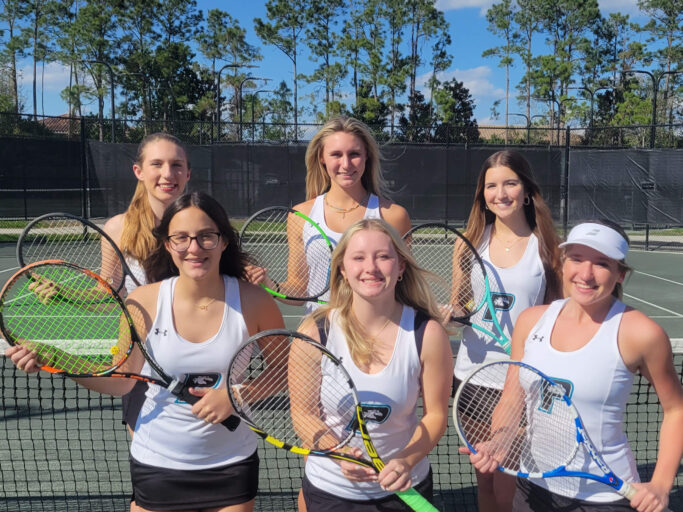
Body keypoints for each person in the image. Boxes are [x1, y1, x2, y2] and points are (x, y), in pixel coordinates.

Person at [7, 191, 285, 512]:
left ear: (223, 241)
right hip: (157, 464)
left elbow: (287, 370)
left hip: (231, 464)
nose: (194, 248)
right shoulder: (143, 301)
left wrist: (236, 394)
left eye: (206, 236)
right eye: (181, 238)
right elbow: (121, 380)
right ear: (168, 244)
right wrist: (56, 359)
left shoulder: (255, 301)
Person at [464, 220, 683, 512]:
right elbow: (513, 395)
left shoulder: (641, 333)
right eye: (577, 259)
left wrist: (660, 483)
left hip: (604, 498)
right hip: (533, 488)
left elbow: (676, 409)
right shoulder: (530, 321)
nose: (586, 273)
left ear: (620, 274)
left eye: (602, 263)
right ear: (563, 264)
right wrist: (500, 440)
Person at [296, 218, 453, 510]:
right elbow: (303, 415)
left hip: (403, 492)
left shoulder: (427, 334)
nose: (371, 267)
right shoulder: (315, 331)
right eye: (358, 258)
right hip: (330, 492)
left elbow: (435, 416)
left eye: (383, 256)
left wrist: (405, 461)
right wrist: (337, 453)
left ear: (401, 266)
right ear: (342, 269)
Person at [453, 150, 563, 512]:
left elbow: (557, 318)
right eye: (491, 186)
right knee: (485, 483)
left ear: (527, 190)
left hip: (521, 386)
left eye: (510, 183)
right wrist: (449, 316)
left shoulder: (547, 248)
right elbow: (461, 307)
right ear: (481, 194)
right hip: (472, 380)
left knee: (509, 492)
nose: (500, 193)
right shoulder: (467, 243)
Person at [245, 116, 412, 312]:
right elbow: (300, 287)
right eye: (336, 154)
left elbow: (404, 286)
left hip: (376, 334)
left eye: (354, 154)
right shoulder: (300, 216)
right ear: (322, 158)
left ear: (367, 156)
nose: (346, 164)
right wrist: (270, 285)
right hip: (320, 333)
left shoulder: (394, 216)